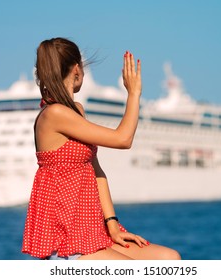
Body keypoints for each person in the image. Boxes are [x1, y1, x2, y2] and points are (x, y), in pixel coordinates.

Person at [22, 37, 181, 260]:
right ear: (77, 69)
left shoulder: (76, 110)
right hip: (66, 237)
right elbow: (123, 139)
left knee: (169, 259)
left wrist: (112, 224)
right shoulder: (54, 114)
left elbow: (95, 170)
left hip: (92, 231)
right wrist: (133, 94)